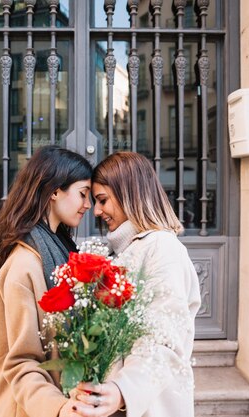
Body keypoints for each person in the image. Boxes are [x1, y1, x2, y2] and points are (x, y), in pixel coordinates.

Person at [72, 151, 201, 417]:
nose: (96, 211)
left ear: (129, 193)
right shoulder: (128, 249)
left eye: (103, 200)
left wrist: (123, 390)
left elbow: (163, 338)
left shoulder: (162, 248)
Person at [0, 146, 94, 417]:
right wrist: (58, 409)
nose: (88, 205)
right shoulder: (25, 265)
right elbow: (21, 362)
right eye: (82, 193)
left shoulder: (59, 248)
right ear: (55, 190)